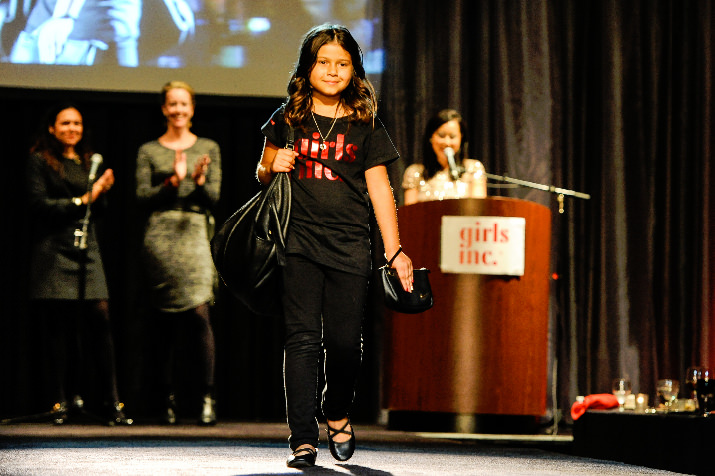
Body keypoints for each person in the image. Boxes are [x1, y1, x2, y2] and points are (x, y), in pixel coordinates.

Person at [256, 23, 413, 468]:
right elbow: (262, 170)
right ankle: (302, 438)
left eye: (341, 64)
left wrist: (394, 250)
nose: (331, 70)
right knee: (301, 340)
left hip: (349, 246)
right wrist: (273, 165)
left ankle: (338, 412)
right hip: (298, 243)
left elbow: (382, 191)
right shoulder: (288, 116)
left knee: (345, 344)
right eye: (323, 62)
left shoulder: (365, 124)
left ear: (354, 71)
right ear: (307, 68)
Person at [26, 102, 131, 425]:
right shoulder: (40, 161)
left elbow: (99, 211)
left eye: (77, 123)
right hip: (55, 249)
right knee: (60, 326)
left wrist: (102, 192)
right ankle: (62, 401)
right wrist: (87, 197)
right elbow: (40, 206)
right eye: (66, 123)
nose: (72, 128)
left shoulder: (89, 161)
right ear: (52, 128)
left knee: (99, 318)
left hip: (88, 248)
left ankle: (112, 403)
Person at [135, 80, 221, 426]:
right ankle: (166, 399)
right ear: (163, 109)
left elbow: (214, 197)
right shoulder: (148, 150)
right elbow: (142, 197)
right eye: (172, 104)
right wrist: (174, 182)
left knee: (199, 314)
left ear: (192, 108)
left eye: (184, 104)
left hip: (195, 233)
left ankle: (206, 397)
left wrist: (197, 182)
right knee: (164, 321)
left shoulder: (208, 147)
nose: (178, 110)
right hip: (161, 236)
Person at [402, 108, 487, 205]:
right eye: (441, 136)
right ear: (431, 137)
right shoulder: (415, 172)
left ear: (461, 138)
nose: (447, 143)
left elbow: (478, 210)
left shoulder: (473, 168)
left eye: (452, 136)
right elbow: (409, 215)